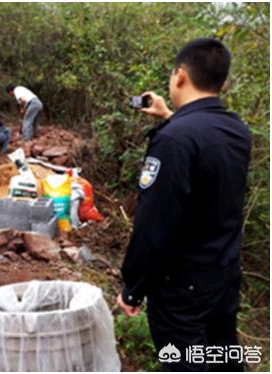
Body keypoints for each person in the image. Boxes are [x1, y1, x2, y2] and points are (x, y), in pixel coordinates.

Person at [116, 38, 251, 371]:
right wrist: (168, 115)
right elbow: (203, 142)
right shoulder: (236, 130)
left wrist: (134, 287)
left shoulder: (175, 139)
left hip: (183, 289)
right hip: (223, 276)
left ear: (179, 76)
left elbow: (155, 225)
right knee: (222, 359)